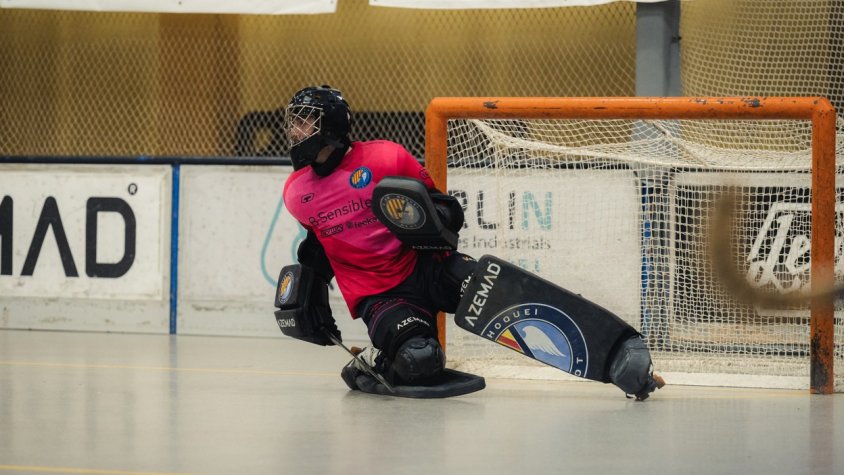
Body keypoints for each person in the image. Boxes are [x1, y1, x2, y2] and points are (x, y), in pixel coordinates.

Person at [279, 85, 475, 389]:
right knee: (421, 358)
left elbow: (445, 208)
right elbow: (318, 245)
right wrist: (311, 291)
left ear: (331, 123)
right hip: (381, 296)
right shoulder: (296, 192)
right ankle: (375, 362)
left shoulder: (387, 158)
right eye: (294, 121)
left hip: (427, 267)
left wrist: (440, 217)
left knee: (487, 286)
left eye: (305, 120)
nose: (295, 129)